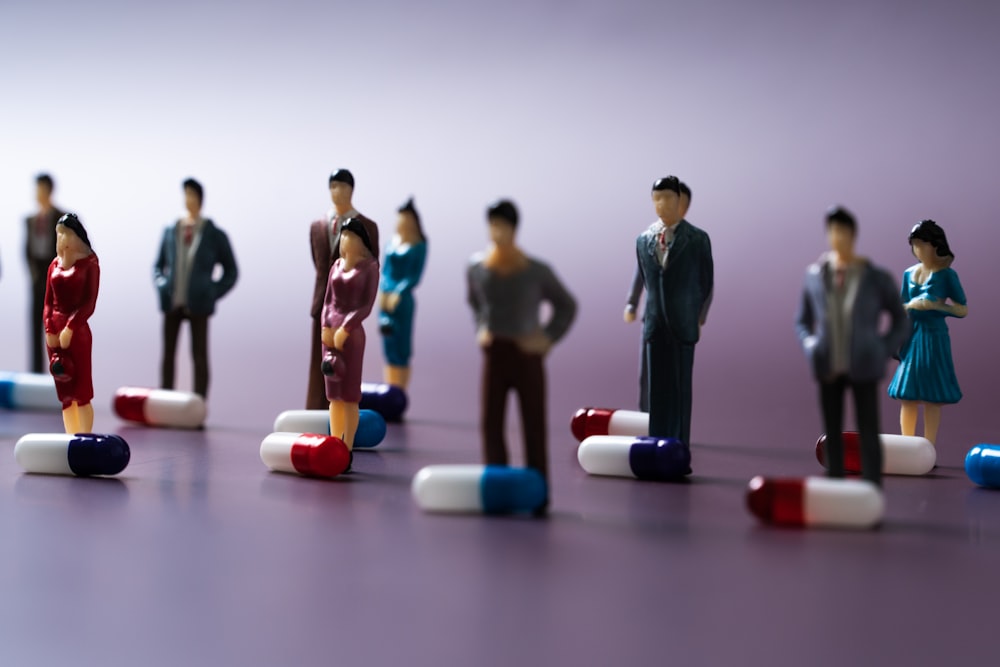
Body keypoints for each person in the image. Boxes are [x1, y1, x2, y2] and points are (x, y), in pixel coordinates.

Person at [466, 200, 577, 514]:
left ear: (514, 229)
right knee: (491, 422)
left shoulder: (535, 271)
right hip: (495, 354)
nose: (496, 232)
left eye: (502, 225)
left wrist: (547, 337)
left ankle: (538, 492)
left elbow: (567, 305)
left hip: (527, 356)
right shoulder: (477, 267)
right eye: (492, 225)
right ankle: (498, 488)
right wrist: (481, 328)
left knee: (533, 423)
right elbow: (474, 302)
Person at [795, 206, 908, 486]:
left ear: (853, 235)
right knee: (832, 430)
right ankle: (835, 486)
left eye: (843, 232)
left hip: (864, 363)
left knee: (868, 429)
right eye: (833, 231)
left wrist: (882, 349)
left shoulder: (875, 276)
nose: (838, 238)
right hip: (828, 363)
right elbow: (802, 321)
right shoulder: (814, 274)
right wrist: (812, 346)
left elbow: (900, 319)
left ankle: (871, 487)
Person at [632, 176, 713, 451]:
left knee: (679, 391)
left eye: (668, 198)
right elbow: (646, 278)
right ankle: (655, 446)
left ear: (680, 201)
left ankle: (678, 449)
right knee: (657, 390)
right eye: (657, 198)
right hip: (654, 324)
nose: (662, 204)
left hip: (682, 324)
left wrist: (694, 314)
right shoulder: (643, 240)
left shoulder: (698, 239)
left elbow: (705, 281)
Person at [153, 178, 238, 398]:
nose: (188, 200)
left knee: (199, 355)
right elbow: (158, 266)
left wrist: (211, 292)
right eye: (186, 195)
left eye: (192, 195)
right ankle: (165, 398)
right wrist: (162, 285)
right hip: (172, 301)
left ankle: (199, 402)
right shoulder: (171, 230)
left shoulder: (213, 234)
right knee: (168, 353)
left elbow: (231, 271)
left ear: (200, 199)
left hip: (199, 304)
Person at [887, 220, 967, 444]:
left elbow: (962, 309)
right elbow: (900, 307)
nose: (918, 250)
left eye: (922, 244)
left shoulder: (947, 275)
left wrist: (936, 307)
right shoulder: (908, 274)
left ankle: (928, 446)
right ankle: (907, 444)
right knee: (907, 394)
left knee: (932, 395)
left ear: (935, 244)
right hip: (912, 336)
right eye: (914, 245)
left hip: (934, 337)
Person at [307, 169, 380, 409]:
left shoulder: (367, 226)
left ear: (351, 190)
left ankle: (345, 415)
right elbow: (319, 264)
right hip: (325, 302)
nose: (336, 192)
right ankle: (315, 409)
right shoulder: (317, 225)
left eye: (341, 186)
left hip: (350, 309)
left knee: (346, 363)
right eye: (332, 186)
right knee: (320, 360)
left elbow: (371, 268)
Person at [626, 181, 692, 411]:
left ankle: (672, 421)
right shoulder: (648, 238)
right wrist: (631, 303)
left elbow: (701, 282)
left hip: (678, 319)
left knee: (674, 372)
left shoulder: (692, 241)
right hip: (652, 317)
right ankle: (645, 416)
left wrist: (698, 314)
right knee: (647, 372)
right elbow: (640, 273)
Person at [322, 217, 380, 454]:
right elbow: (327, 301)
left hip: (351, 335)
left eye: (352, 236)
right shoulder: (335, 266)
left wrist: (345, 328)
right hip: (329, 334)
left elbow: (366, 306)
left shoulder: (370, 267)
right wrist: (326, 327)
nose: (346, 240)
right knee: (333, 393)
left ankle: (347, 446)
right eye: (343, 235)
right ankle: (335, 440)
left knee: (349, 394)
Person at [44, 213, 99, 433]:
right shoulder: (54, 265)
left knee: (81, 389)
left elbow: (89, 303)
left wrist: (70, 327)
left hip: (77, 333)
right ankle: (70, 436)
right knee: (64, 389)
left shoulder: (90, 265)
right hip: (54, 332)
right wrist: (49, 328)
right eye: (58, 234)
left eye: (65, 234)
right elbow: (47, 303)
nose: (61, 239)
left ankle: (84, 435)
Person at [378, 197, 428, 390]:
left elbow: (414, 276)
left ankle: (400, 389)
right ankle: (390, 386)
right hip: (386, 297)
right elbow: (385, 271)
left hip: (402, 299)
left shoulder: (419, 246)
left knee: (401, 345)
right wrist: (383, 290)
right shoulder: (391, 243)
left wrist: (399, 292)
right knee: (387, 341)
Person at [25, 174, 64, 373]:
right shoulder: (30, 220)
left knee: (57, 328)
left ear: (48, 190)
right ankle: (35, 373)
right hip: (37, 278)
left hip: (56, 278)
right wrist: (33, 275)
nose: (36, 194)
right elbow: (27, 250)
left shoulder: (62, 218)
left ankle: (61, 371)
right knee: (34, 326)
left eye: (39, 189)